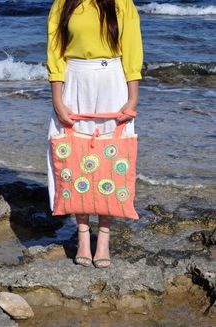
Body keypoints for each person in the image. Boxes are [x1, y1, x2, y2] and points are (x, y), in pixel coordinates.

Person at [46, 0, 143, 268]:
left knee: (112, 158)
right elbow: (55, 53)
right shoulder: (62, 3)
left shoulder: (123, 3)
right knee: (74, 159)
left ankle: (104, 238)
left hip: (112, 79)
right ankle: (83, 237)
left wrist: (133, 97)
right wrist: (57, 99)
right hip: (74, 81)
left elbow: (132, 49)